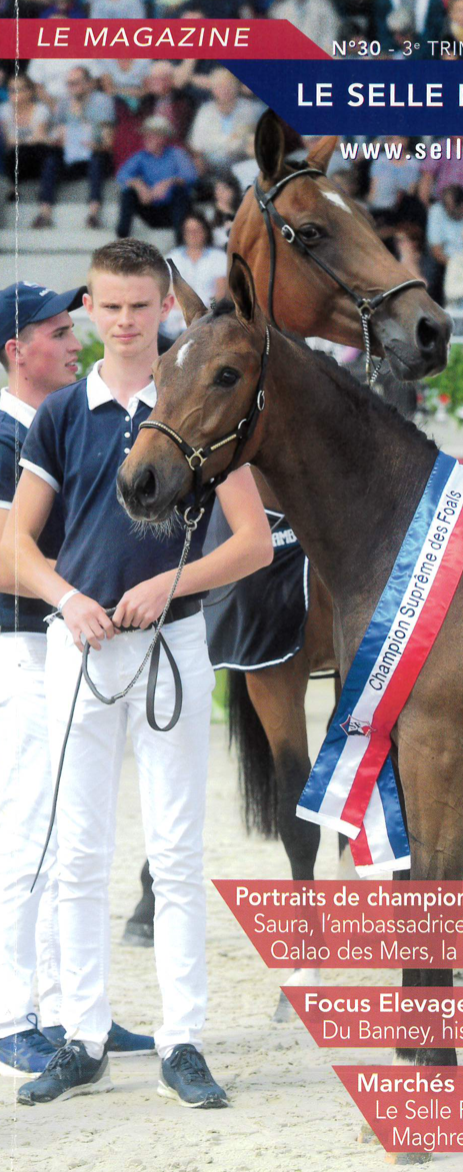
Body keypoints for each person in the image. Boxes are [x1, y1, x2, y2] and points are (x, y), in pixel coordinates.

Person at [5, 239, 273, 1108]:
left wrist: (170, 582)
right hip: (78, 649)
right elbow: (16, 540)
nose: (124, 324)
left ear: (165, 305)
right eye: (109, 308)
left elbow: (252, 542)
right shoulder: (58, 416)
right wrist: (63, 595)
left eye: (139, 307)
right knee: (77, 853)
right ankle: (82, 1036)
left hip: (173, 647)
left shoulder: (194, 399)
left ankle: (183, 1039)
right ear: (91, 309)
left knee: (175, 850)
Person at [0, 281, 153, 1077]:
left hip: (63, 645)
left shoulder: (58, 425)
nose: (76, 339)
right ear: (14, 351)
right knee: (29, 834)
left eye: (72, 326)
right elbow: (4, 557)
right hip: (23, 649)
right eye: (57, 331)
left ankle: (68, 1009)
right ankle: (11, 1011)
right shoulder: (3, 436)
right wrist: (86, 586)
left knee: (71, 834)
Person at [32, 66, 115, 231]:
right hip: (71, 156)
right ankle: (44, 212)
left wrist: (81, 116)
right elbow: (56, 132)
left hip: (94, 152)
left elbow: (108, 142)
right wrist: (57, 139)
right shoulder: (64, 103)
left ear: (89, 83)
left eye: (75, 83)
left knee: (97, 160)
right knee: (51, 161)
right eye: (69, 84)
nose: (71, 88)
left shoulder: (102, 102)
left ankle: (93, 213)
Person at [115, 115, 197, 240]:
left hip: (172, 210)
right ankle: (121, 237)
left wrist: (168, 182)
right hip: (150, 206)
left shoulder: (176, 154)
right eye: (146, 136)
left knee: (180, 193)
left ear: (163, 138)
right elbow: (122, 174)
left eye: (151, 136)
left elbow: (191, 176)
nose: (146, 139)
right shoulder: (141, 156)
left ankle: (180, 242)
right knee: (128, 193)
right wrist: (138, 185)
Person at [163, 212, 228, 339]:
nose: (193, 234)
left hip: (209, 316)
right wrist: (187, 314)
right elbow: (170, 292)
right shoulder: (172, 257)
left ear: (205, 231)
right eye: (189, 231)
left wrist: (210, 311)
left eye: (197, 230)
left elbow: (219, 294)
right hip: (178, 318)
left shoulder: (218, 257)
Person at [187, 70, 261, 178]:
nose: (225, 91)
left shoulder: (251, 110)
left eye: (229, 86)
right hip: (213, 171)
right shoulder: (205, 112)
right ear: (213, 90)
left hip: (244, 166)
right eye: (219, 87)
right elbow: (197, 149)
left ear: (237, 88)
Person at [0, 74, 50, 189]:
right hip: (12, 157)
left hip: (34, 156)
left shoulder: (41, 110)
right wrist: (28, 140)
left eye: (17, 90)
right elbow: (8, 141)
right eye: (11, 90)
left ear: (29, 92)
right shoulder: (4, 111)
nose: (13, 94)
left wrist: (20, 141)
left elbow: (40, 139)